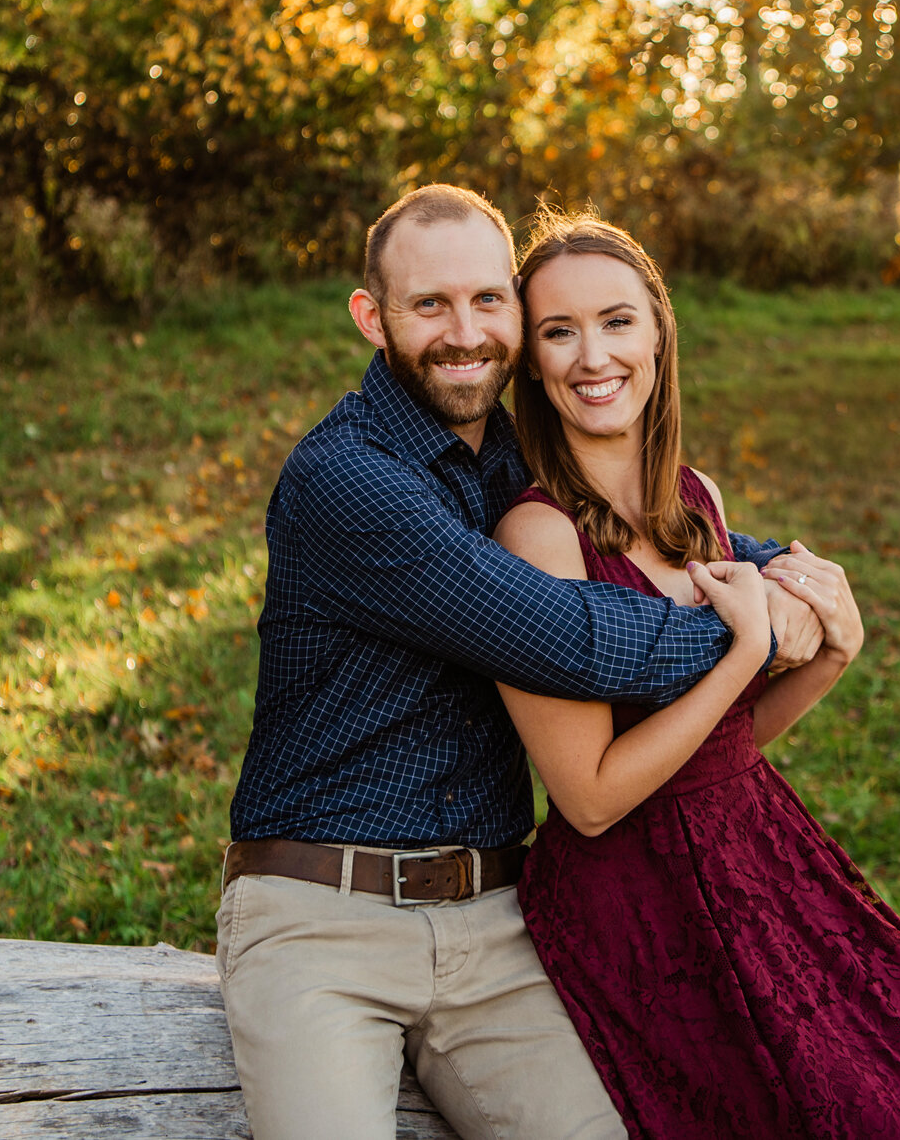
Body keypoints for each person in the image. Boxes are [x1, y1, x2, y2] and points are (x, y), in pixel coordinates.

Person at [216, 184, 823, 1140]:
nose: (466, 333)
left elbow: (648, 541)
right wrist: (754, 631)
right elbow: (568, 637)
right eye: (430, 306)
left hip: (497, 921)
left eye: (489, 300)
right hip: (320, 917)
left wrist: (779, 566)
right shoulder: (346, 479)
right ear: (373, 319)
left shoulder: (512, 456)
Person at [494, 214, 900, 1140]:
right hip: (638, 897)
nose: (592, 356)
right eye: (558, 331)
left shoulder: (695, 498)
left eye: (616, 321)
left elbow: (725, 745)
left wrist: (832, 654)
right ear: (532, 362)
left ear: (658, 332)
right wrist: (742, 650)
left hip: (757, 845)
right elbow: (587, 797)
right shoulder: (537, 536)